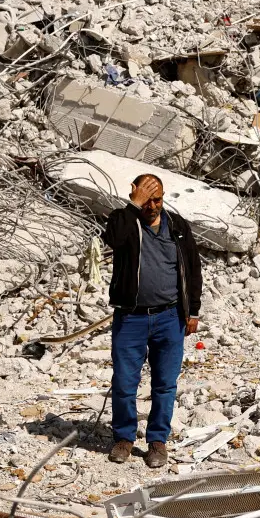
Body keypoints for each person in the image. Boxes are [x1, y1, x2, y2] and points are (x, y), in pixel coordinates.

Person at [101, 173, 202, 467]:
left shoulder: (178, 226)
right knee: (124, 382)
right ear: (136, 195)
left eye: (157, 199)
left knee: (165, 384)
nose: (152, 206)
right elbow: (112, 239)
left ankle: (157, 442)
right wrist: (133, 204)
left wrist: (192, 311)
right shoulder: (126, 221)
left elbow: (193, 269)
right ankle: (124, 438)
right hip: (131, 318)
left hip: (170, 317)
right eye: (147, 200)